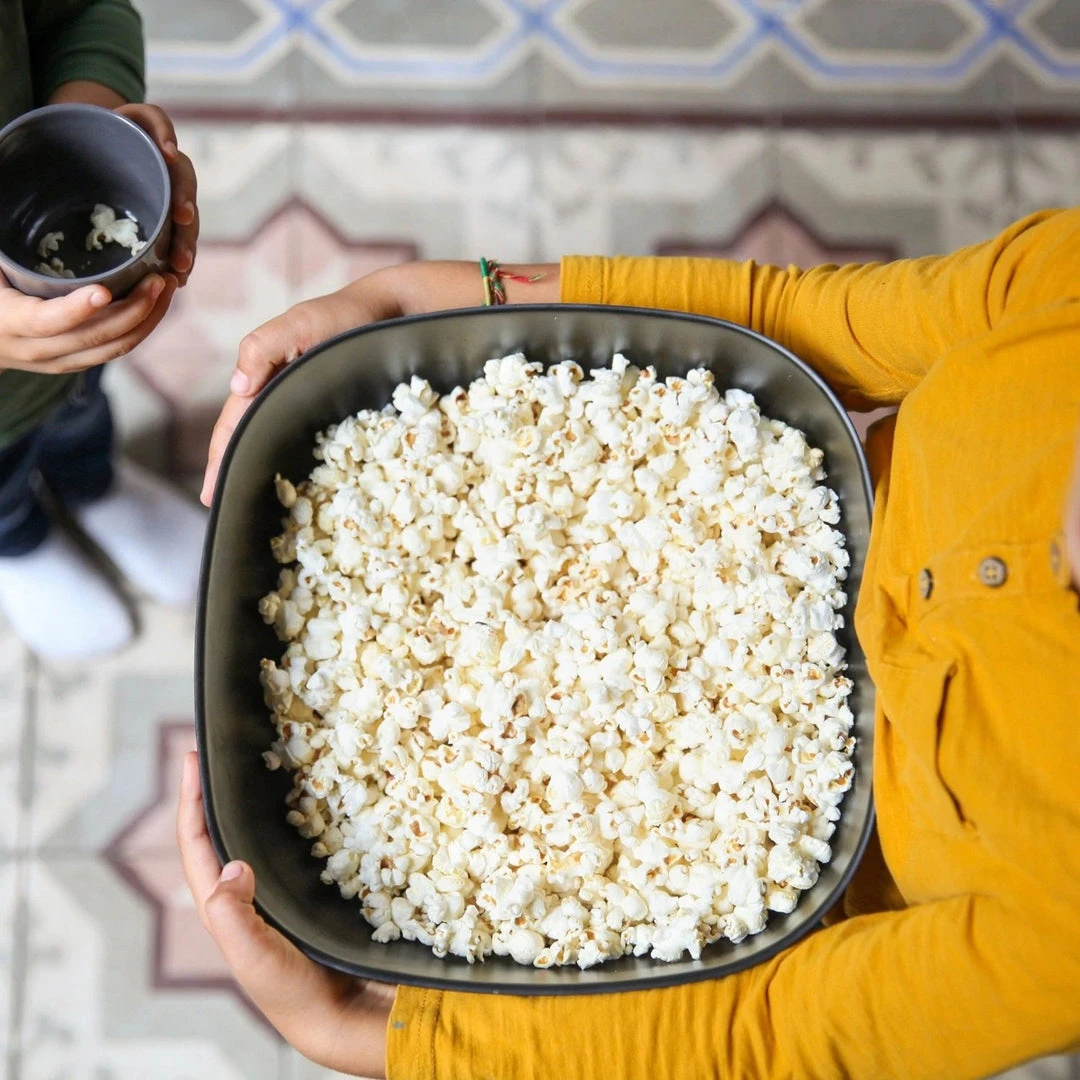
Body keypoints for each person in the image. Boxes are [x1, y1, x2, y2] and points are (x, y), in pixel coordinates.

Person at [179, 209, 1080, 1079]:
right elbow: (794, 323)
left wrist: (368, 1032)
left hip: (766, 850)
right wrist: (426, 298)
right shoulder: (1065, 290)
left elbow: (777, 1037)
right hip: (737, 498)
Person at [0, 0, 203, 660]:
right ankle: (18, 541)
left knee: (81, 408)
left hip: (62, 328)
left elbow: (83, 10)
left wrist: (96, 121)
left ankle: (92, 483)